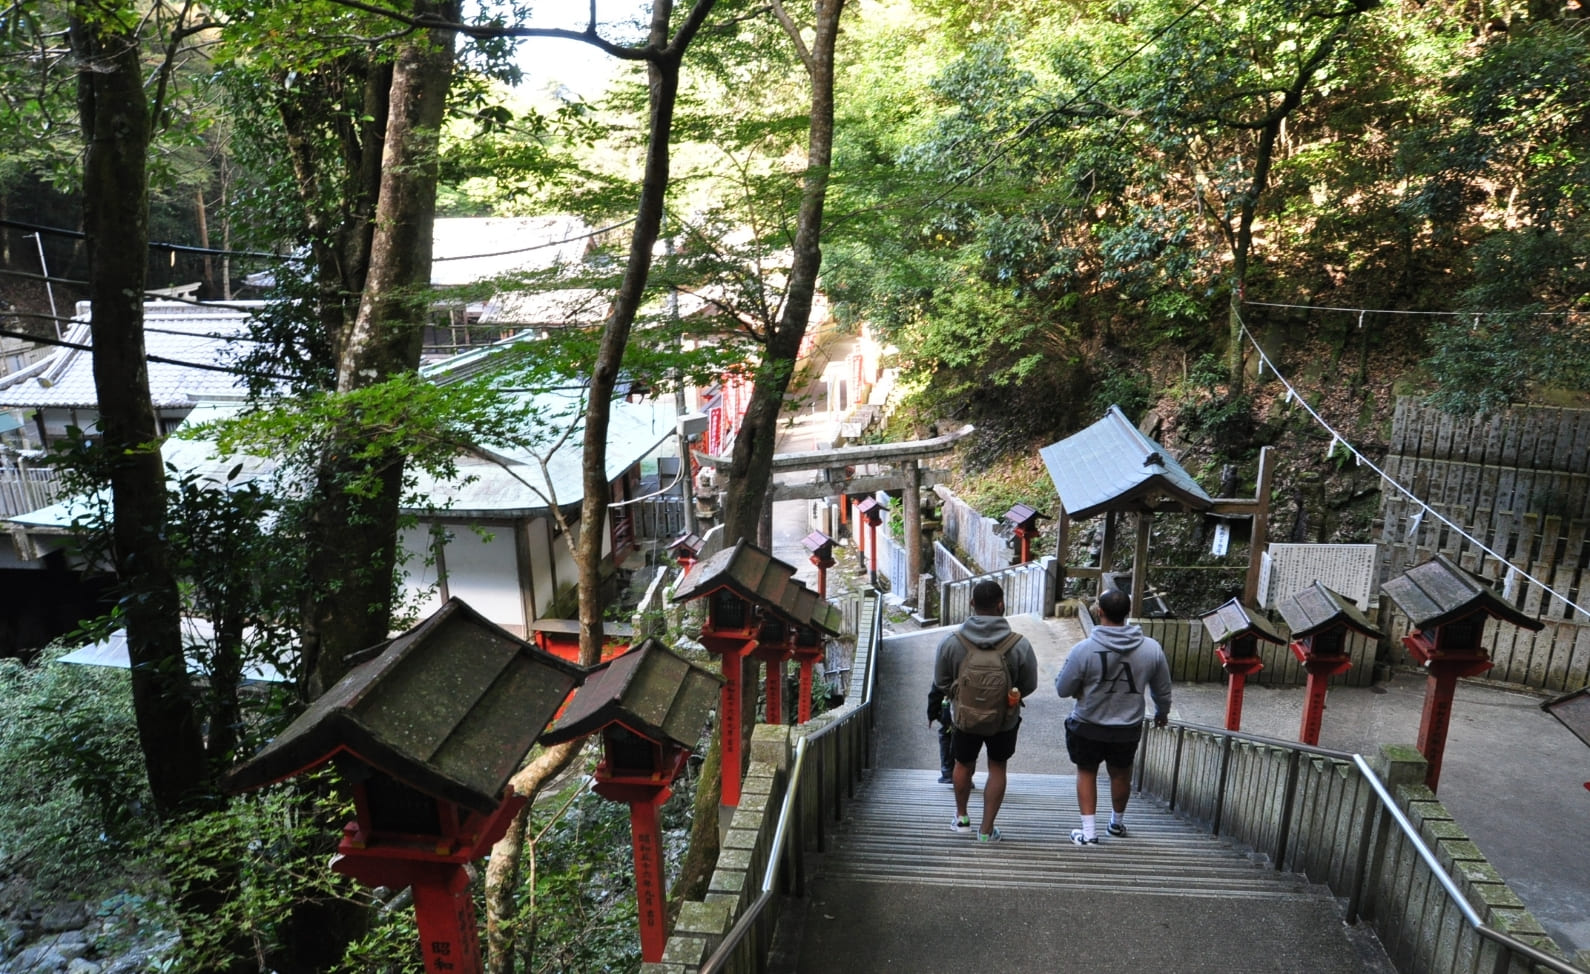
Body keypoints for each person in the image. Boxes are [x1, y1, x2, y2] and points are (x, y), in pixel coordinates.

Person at [1055, 587, 1172, 846]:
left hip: (1087, 724)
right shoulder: (1151, 649)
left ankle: (1088, 833)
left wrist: (1080, 689)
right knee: (1121, 775)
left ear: (1100, 612)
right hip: (1127, 727)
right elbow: (1162, 691)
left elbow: (1063, 689)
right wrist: (1162, 713)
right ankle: (1116, 824)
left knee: (1086, 772)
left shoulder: (1083, 650)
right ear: (1127, 612)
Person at [933, 579, 1038, 842]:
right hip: (1003, 720)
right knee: (997, 768)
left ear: (972, 604)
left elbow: (941, 681)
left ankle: (961, 819)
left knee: (963, 764)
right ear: (1001, 605)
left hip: (965, 718)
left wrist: (960, 695)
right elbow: (1029, 684)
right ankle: (986, 831)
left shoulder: (953, 641)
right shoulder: (1018, 644)